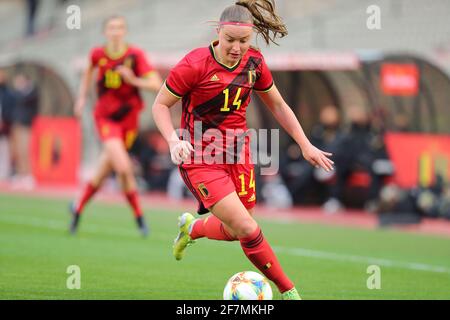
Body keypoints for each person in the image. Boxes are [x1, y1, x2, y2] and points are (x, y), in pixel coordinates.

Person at [152, 0, 334, 300]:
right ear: (218, 33)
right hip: (201, 157)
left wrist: (305, 143)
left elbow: (277, 104)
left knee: (237, 229)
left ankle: (192, 229)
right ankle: (289, 291)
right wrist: (174, 140)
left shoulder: (255, 63)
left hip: (239, 154)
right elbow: (160, 105)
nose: (236, 47)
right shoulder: (194, 64)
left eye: (244, 41)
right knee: (248, 229)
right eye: (230, 40)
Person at [70, 15, 163, 236]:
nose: (115, 31)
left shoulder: (135, 55)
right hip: (106, 118)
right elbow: (88, 74)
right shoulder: (97, 54)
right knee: (122, 167)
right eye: (111, 27)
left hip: (129, 120)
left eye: (119, 27)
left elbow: (156, 84)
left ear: (124, 32)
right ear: (105, 32)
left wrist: (133, 80)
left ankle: (77, 209)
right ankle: (140, 219)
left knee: (103, 172)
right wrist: (81, 98)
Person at [10, 72, 39, 190]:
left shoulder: (32, 93)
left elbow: (24, 100)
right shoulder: (18, 94)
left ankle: (28, 175)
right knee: (18, 152)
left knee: (25, 150)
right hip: (17, 124)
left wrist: (20, 90)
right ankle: (21, 174)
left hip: (26, 125)